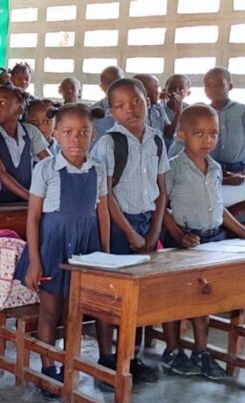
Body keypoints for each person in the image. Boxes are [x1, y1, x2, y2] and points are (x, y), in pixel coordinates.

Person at [14, 103, 110, 400]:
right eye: (68, 132)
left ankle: (72, 361)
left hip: (86, 246)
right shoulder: (45, 168)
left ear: (93, 135)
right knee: (50, 309)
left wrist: (105, 256)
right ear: (54, 134)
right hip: (52, 245)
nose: (76, 139)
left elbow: (103, 214)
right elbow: (33, 217)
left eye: (84, 132)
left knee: (76, 309)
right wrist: (35, 262)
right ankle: (47, 367)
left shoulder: (98, 168)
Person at [160, 104, 245, 379]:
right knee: (176, 300)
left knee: (203, 300)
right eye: (199, 133)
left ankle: (201, 351)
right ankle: (172, 351)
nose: (208, 140)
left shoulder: (216, 168)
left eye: (213, 134)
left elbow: (219, 208)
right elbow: (160, 207)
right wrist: (179, 235)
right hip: (182, 241)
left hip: (211, 241)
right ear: (182, 135)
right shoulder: (173, 168)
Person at [90, 78, 167, 387]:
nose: (131, 109)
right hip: (120, 227)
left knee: (140, 296)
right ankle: (107, 358)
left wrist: (153, 232)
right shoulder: (109, 144)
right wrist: (131, 234)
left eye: (136, 101)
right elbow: (105, 197)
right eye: (121, 106)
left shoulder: (157, 140)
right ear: (112, 112)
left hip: (149, 224)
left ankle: (130, 357)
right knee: (111, 295)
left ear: (148, 101)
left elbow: (162, 192)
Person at [0, 85, 50, 203]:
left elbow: (49, 162)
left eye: (2, 103)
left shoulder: (30, 132)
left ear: (19, 109)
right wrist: (32, 198)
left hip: (26, 199)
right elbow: (1, 175)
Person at [203, 67, 245, 173]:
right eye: (209, 85)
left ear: (230, 86)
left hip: (238, 168)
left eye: (220, 85)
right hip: (210, 167)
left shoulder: (244, 110)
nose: (213, 89)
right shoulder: (202, 112)